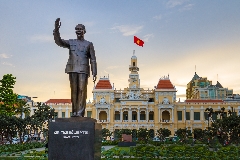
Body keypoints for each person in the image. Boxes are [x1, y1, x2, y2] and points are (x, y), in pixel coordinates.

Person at [53, 18, 97, 117]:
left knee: (82, 90)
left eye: (80, 29)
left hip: (83, 70)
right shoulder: (71, 42)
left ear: (84, 31)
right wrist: (56, 30)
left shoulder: (88, 44)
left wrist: (94, 71)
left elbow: (93, 59)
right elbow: (59, 42)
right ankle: (74, 112)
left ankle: (80, 113)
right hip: (72, 69)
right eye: (77, 29)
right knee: (74, 90)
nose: (78, 30)